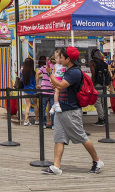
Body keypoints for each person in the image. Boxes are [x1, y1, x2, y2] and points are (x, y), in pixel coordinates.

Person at [41, 46, 103, 175]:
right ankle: (56, 167)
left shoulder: (74, 72)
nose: (59, 60)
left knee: (81, 136)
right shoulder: (67, 71)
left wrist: (49, 74)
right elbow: (58, 86)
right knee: (59, 138)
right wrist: (54, 81)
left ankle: (97, 161)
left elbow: (61, 85)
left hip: (71, 110)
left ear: (68, 59)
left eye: (61, 58)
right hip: (61, 109)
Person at [89, 48, 110, 127]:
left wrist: (92, 85)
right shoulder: (103, 63)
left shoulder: (92, 62)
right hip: (104, 84)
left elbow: (93, 75)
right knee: (104, 102)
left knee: (97, 102)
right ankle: (105, 118)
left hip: (97, 84)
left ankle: (101, 119)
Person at [35, 56, 55, 129]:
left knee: (42, 108)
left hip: (44, 90)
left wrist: (37, 84)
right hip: (53, 91)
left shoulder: (44, 67)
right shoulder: (55, 68)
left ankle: (43, 124)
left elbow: (37, 74)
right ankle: (53, 124)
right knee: (53, 108)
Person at [21, 57, 39, 126]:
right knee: (35, 104)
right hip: (33, 90)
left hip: (26, 90)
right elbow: (35, 83)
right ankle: (37, 119)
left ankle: (26, 120)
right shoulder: (33, 72)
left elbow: (22, 81)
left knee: (28, 105)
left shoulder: (22, 72)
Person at [48, 49, 67, 114]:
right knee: (57, 91)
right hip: (57, 79)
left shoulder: (65, 65)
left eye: (57, 57)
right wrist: (51, 79)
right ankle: (56, 103)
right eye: (55, 58)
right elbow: (53, 72)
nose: (56, 59)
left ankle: (54, 105)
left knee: (58, 92)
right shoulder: (56, 65)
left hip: (62, 80)